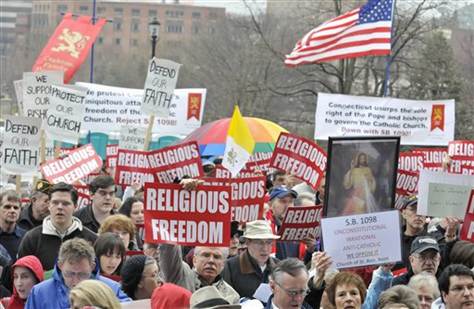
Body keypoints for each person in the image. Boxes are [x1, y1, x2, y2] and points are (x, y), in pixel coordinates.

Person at [25, 238, 130, 308]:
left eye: (82, 274)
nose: (76, 282)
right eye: (69, 274)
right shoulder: (39, 292)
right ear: (60, 265)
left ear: (92, 266)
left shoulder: (111, 289)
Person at [18, 183, 97, 271]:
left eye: (65, 203)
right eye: (55, 203)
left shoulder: (91, 239)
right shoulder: (32, 238)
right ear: (49, 205)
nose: (60, 207)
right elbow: (22, 275)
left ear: (75, 206)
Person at [159, 243, 239, 303]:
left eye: (216, 257)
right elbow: (169, 252)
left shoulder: (232, 295)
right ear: (194, 260)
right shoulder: (181, 275)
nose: (211, 260)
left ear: (223, 264)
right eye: (206, 255)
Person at [223, 220, 280, 298]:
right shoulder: (230, 267)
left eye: (269, 242)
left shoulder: (279, 267)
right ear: (247, 242)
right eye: (259, 242)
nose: (265, 248)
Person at [0, 190, 26, 260]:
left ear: (20, 210)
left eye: (16, 208)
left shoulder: (27, 237)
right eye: (7, 207)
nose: (12, 210)